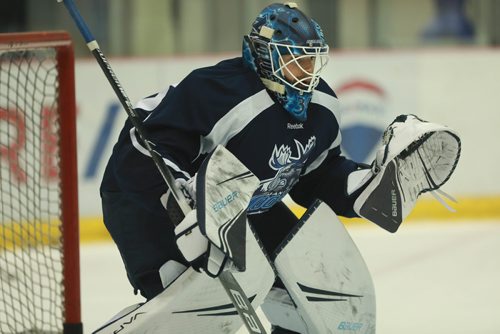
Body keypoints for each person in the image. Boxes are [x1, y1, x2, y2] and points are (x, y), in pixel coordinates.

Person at [100, 3, 460, 333]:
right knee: (191, 305)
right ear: (263, 56)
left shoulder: (323, 108)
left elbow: (316, 175)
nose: (305, 71)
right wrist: (179, 202)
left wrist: (362, 185)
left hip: (243, 206)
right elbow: (145, 148)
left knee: (313, 291)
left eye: (310, 60)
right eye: (294, 60)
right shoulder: (218, 92)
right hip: (146, 200)